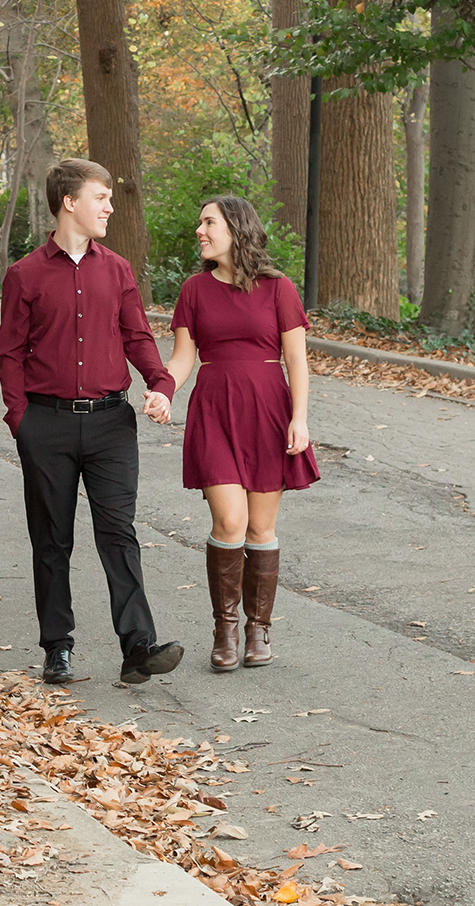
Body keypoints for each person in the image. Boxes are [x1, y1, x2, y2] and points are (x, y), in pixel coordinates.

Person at [0, 159, 183, 686]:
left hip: (110, 425)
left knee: (118, 533)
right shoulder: (25, 275)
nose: (109, 207)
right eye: (100, 197)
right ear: (69, 202)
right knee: (52, 539)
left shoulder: (117, 269)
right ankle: (57, 647)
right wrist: (20, 419)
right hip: (46, 424)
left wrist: (160, 384)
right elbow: (9, 352)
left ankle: (138, 647)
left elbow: (138, 337)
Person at [158, 195, 318, 672]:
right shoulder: (194, 290)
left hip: (268, 410)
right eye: (200, 222)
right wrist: (164, 390)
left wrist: (300, 417)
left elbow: (297, 360)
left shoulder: (278, 288)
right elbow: (184, 356)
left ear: (235, 228)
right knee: (229, 522)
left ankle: (258, 629)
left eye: (208, 222)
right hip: (214, 411)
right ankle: (225, 627)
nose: (200, 231)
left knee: (260, 527)